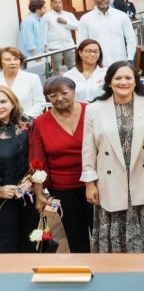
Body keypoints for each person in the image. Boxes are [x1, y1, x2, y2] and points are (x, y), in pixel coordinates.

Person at [81, 61, 144, 253]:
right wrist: (89, 182)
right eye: (118, 78)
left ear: (136, 81)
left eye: (128, 78)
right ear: (109, 82)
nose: (123, 82)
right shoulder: (94, 109)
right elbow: (89, 148)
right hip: (109, 178)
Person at [29, 76, 93, 253]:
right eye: (52, 96)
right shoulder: (40, 123)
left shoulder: (92, 112)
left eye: (64, 93)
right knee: (75, 234)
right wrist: (39, 192)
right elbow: (37, 161)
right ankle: (84, 272)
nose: (59, 98)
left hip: (94, 184)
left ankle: (109, 271)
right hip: (62, 187)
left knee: (101, 231)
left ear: (74, 91)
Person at [0, 86, 37, 253]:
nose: (0, 106)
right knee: (6, 245)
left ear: (12, 102)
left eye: (3, 101)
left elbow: (38, 158)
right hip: (3, 200)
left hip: (27, 195)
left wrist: (30, 182)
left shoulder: (27, 124)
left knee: (30, 239)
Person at [77, 0, 136, 66]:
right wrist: (84, 61)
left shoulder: (122, 16)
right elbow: (81, 43)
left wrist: (130, 58)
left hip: (120, 63)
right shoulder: (85, 18)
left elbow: (131, 38)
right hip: (96, 65)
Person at [0, 47, 45, 118]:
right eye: (8, 60)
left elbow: (40, 102)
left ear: (20, 61)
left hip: (26, 123)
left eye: (16, 59)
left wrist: (26, 118)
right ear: (1, 62)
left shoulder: (32, 78)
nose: (13, 62)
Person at [44, 0, 78, 71]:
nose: (58, 4)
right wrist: (45, 46)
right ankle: (58, 82)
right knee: (57, 68)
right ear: (51, 4)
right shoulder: (47, 16)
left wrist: (66, 22)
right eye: (55, 2)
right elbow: (44, 32)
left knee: (72, 66)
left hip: (69, 45)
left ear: (62, 4)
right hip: (54, 47)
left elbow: (78, 26)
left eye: (59, 2)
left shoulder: (69, 15)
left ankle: (72, 82)